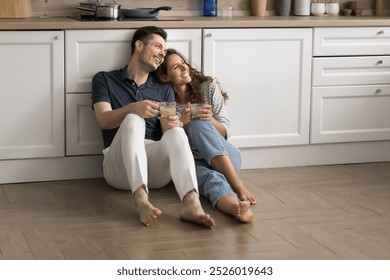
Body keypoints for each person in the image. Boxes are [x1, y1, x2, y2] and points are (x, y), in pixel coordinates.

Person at [91, 26, 215, 228]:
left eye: (164, 51)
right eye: (158, 47)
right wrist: (132, 108)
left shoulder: (164, 89)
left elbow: (168, 130)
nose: (161, 54)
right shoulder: (104, 79)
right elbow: (103, 120)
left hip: (156, 173)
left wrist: (172, 124)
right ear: (139, 46)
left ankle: (192, 204)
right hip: (118, 168)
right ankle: (141, 200)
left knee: (176, 131)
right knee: (133, 119)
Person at [156, 49, 257, 223]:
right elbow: (170, 140)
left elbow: (225, 131)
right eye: (175, 67)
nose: (183, 67)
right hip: (194, 162)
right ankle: (236, 209)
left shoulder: (208, 86)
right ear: (165, 77)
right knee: (211, 181)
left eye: (183, 62)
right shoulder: (166, 101)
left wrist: (208, 119)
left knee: (198, 122)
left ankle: (238, 186)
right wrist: (184, 125)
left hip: (227, 158)